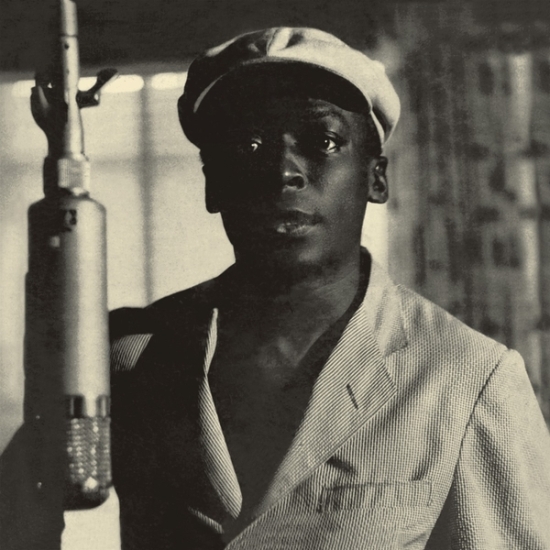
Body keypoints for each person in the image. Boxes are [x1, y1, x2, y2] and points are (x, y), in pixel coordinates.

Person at [108, 27, 550, 549]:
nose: (284, 171)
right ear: (213, 183)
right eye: (249, 144)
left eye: (323, 141)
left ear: (376, 179)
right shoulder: (134, 356)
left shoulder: (465, 378)